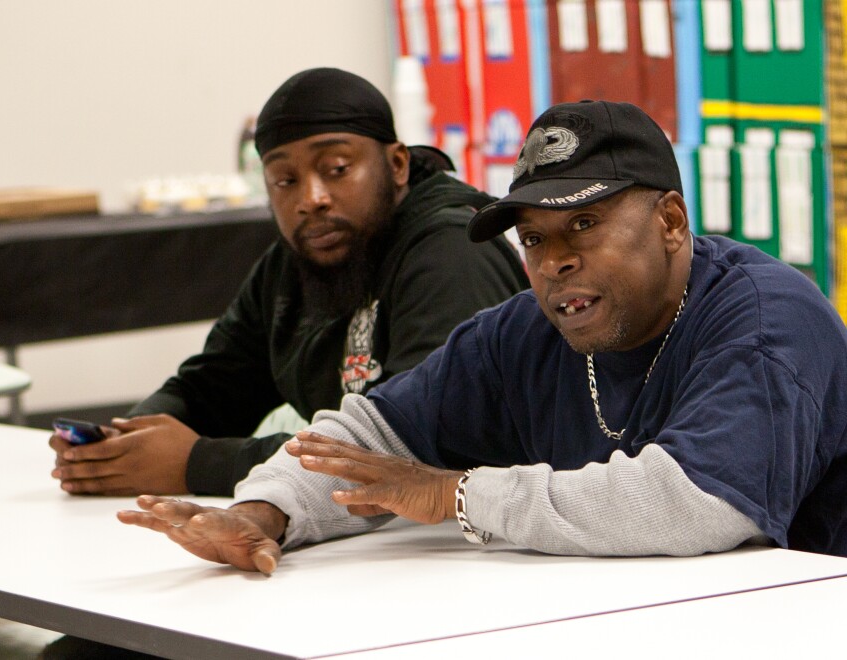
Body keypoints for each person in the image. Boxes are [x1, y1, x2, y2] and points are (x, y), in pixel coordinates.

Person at [118, 99, 847, 575]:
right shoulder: (522, 333)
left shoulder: (762, 318)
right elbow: (364, 439)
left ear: (670, 223)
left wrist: (459, 495)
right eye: (534, 239)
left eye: (585, 226)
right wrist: (260, 514)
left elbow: (697, 504)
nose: (554, 260)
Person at [48, 68, 529, 497]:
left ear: (397, 164)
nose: (311, 199)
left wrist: (198, 466)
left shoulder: (451, 252)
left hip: (474, 545)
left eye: (336, 170)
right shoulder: (299, 259)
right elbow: (215, 384)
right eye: (285, 180)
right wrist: (125, 442)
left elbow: (415, 448)